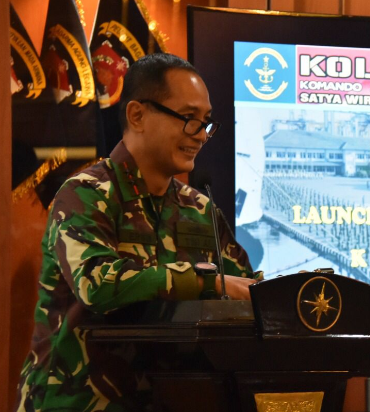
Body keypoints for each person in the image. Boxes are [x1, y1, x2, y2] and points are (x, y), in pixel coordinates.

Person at [15, 54, 260, 412]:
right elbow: (96, 284)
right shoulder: (85, 194)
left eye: (206, 122)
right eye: (189, 119)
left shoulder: (199, 207)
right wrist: (205, 282)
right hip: (77, 402)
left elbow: (245, 291)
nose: (201, 135)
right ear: (137, 115)